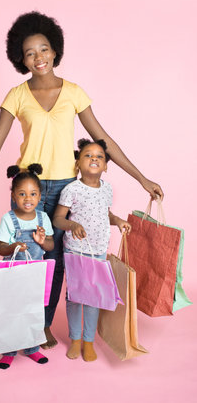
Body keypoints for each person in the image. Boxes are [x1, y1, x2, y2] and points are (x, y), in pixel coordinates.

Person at [0, 11, 163, 349]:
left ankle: (41, 325)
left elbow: (105, 142)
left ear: (55, 51)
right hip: (31, 191)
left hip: (71, 192)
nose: (38, 58)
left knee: (59, 262)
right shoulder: (17, 96)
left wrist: (142, 178)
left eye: (43, 49)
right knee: (28, 258)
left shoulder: (73, 93)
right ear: (20, 59)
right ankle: (21, 326)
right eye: (29, 53)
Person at [53, 138, 131, 362]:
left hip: (98, 250)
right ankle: (75, 338)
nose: (94, 159)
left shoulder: (107, 189)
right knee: (76, 297)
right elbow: (58, 219)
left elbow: (106, 214)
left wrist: (118, 221)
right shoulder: (72, 190)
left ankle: (88, 341)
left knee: (94, 298)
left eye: (100, 156)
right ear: (77, 163)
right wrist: (72, 225)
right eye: (88, 155)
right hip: (76, 251)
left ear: (106, 165)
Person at [0, 163, 54, 369]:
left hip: (35, 275)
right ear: (13, 196)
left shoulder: (43, 218)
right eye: (22, 194)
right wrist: (12, 246)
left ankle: (31, 349)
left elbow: (50, 245)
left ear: (39, 196)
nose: (28, 199)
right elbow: (1, 248)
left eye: (33, 194)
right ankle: (9, 351)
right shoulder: (8, 219)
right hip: (13, 276)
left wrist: (41, 241)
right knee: (11, 311)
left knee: (33, 311)